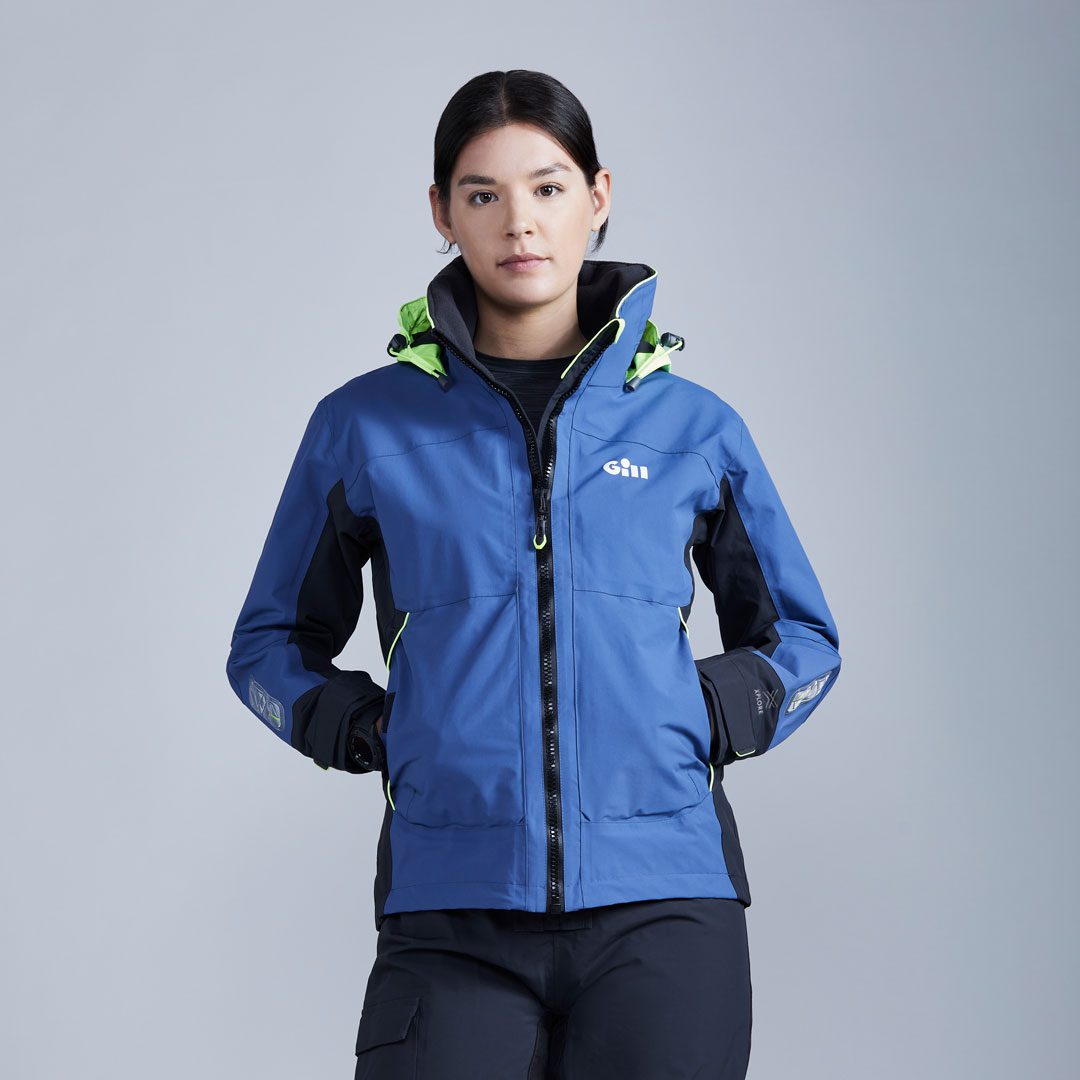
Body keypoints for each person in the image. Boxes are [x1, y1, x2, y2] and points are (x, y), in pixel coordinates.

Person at [225, 69, 842, 1080]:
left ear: (598, 197)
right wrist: (368, 729)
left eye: (548, 188)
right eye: (484, 193)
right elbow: (266, 647)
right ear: (442, 213)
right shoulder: (364, 426)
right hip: (451, 905)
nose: (520, 221)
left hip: (666, 903)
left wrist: (699, 713)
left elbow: (805, 641)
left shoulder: (693, 428)